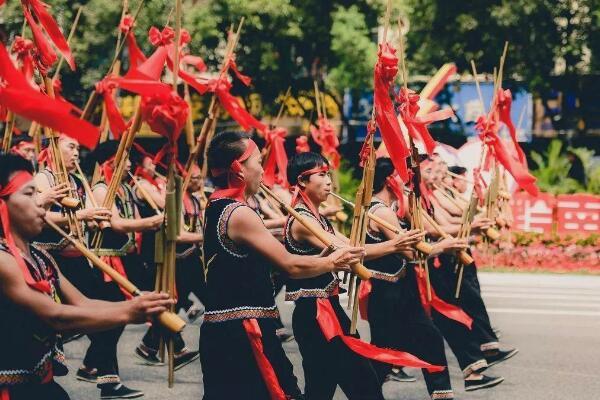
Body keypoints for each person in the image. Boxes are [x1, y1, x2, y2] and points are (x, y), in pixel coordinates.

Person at [201, 131, 365, 399]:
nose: (262, 170)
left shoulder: (216, 204)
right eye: (257, 161)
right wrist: (332, 260)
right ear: (238, 169)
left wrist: (323, 258)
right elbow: (290, 265)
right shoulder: (239, 212)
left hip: (227, 330)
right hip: (245, 331)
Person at [0, 152, 173, 400]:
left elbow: (83, 303)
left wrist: (138, 305)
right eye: (29, 194)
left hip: (38, 384)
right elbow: (56, 316)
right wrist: (131, 311)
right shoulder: (3, 260)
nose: (40, 203)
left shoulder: (39, 256)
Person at [284, 151, 443, 399]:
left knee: (322, 389)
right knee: (363, 384)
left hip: (327, 311)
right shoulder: (302, 219)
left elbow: (349, 246)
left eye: (329, 175)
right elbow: (349, 252)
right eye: (322, 175)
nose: (329, 182)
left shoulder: (317, 217)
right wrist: (395, 245)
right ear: (302, 181)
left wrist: (398, 244)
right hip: (316, 316)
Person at [364, 157, 470, 399]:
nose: (408, 180)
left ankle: (441, 394)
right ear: (390, 179)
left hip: (403, 290)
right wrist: (443, 246)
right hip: (389, 292)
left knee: (428, 340)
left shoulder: (393, 208)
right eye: (402, 175)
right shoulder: (380, 211)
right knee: (383, 354)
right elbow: (411, 251)